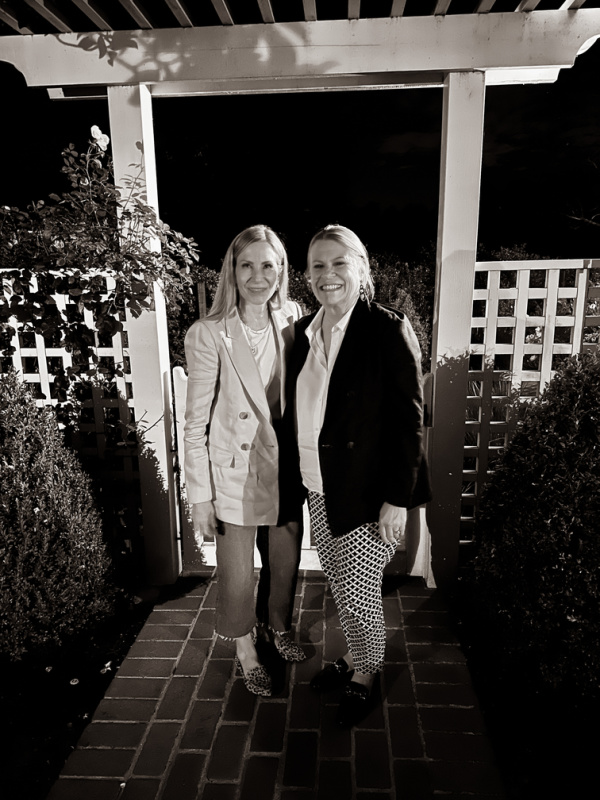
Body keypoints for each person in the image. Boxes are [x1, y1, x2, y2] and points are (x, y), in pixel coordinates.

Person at [284, 224, 430, 726]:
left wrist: (398, 499)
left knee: (358, 592)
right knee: (341, 584)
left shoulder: (387, 329)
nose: (328, 274)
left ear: (362, 269)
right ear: (307, 274)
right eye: (318, 265)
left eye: (339, 263)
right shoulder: (304, 333)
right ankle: (353, 655)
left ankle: (366, 672)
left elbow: (410, 421)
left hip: (369, 492)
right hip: (319, 486)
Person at [183, 224, 305, 698]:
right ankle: (245, 646)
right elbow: (195, 424)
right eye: (247, 265)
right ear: (232, 271)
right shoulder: (209, 332)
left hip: (284, 468)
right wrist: (200, 498)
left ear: (282, 270)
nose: (258, 276)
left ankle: (278, 626)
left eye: (268, 265)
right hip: (234, 472)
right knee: (236, 572)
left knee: (284, 560)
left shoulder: (293, 317)